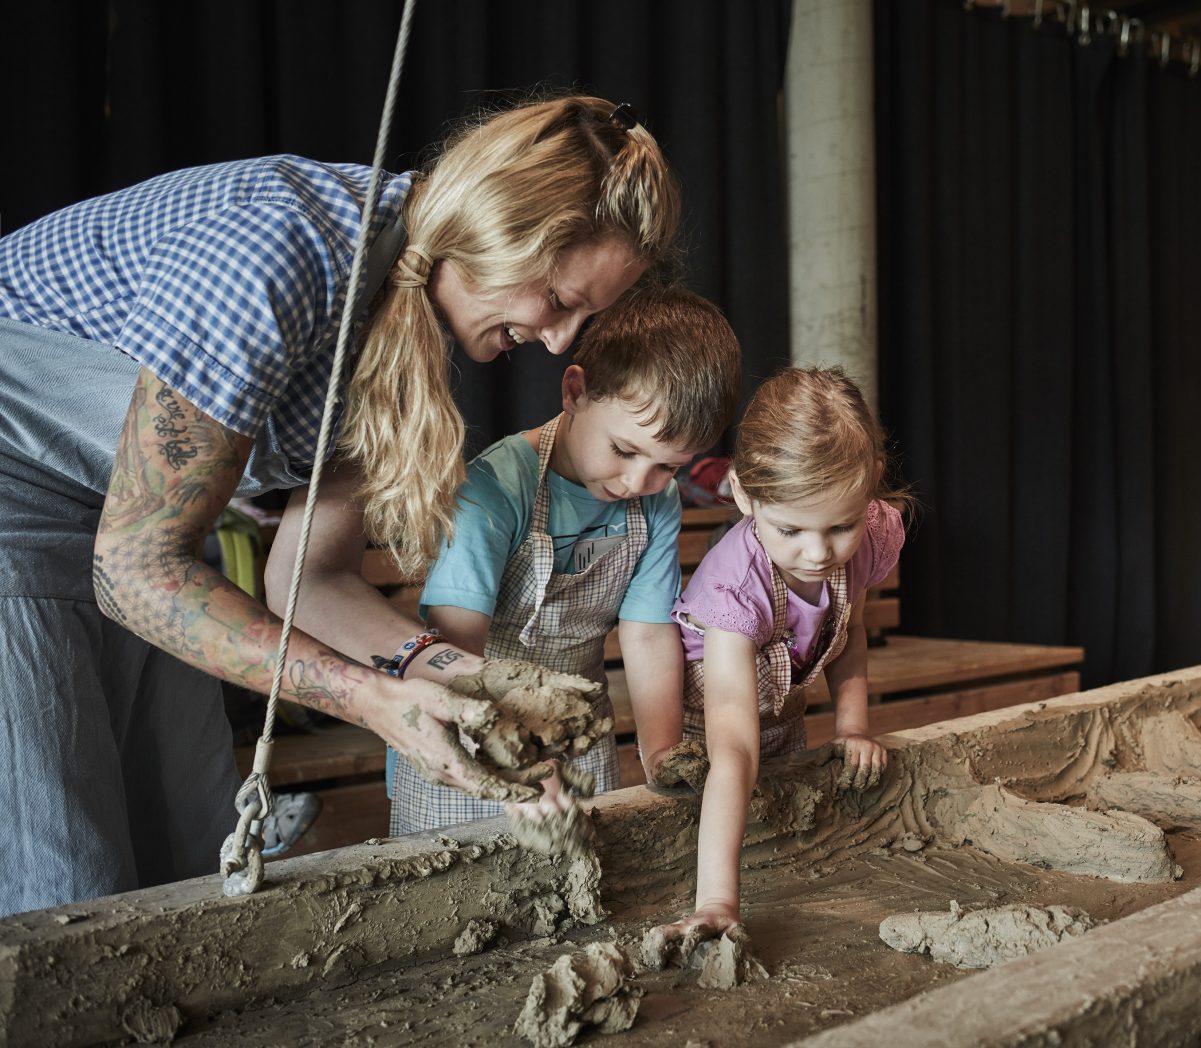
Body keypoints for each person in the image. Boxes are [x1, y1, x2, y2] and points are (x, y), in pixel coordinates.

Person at [0, 94, 679, 916]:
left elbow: (307, 582)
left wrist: (469, 680)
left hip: (125, 526)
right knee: (68, 883)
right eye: (560, 300)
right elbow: (138, 568)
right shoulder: (279, 254)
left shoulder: (407, 341)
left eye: (588, 315)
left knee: (179, 850)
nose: (564, 340)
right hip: (25, 499)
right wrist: (374, 704)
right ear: (501, 230)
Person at [391, 285, 741, 834]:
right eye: (624, 450)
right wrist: (520, 759)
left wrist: (661, 754)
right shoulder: (496, 489)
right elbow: (454, 650)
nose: (637, 482)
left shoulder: (656, 504)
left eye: (667, 467)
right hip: (469, 731)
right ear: (574, 391)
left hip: (578, 735)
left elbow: (647, 636)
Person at [642, 366, 909, 961]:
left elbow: (849, 631)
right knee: (713, 823)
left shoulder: (867, 535)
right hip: (707, 735)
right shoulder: (735, 586)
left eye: (840, 526)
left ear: (870, 490)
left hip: (785, 708)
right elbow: (732, 747)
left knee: (782, 837)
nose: (818, 553)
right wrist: (717, 902)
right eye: (790, 529)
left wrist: (852, 727)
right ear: (743, 495)